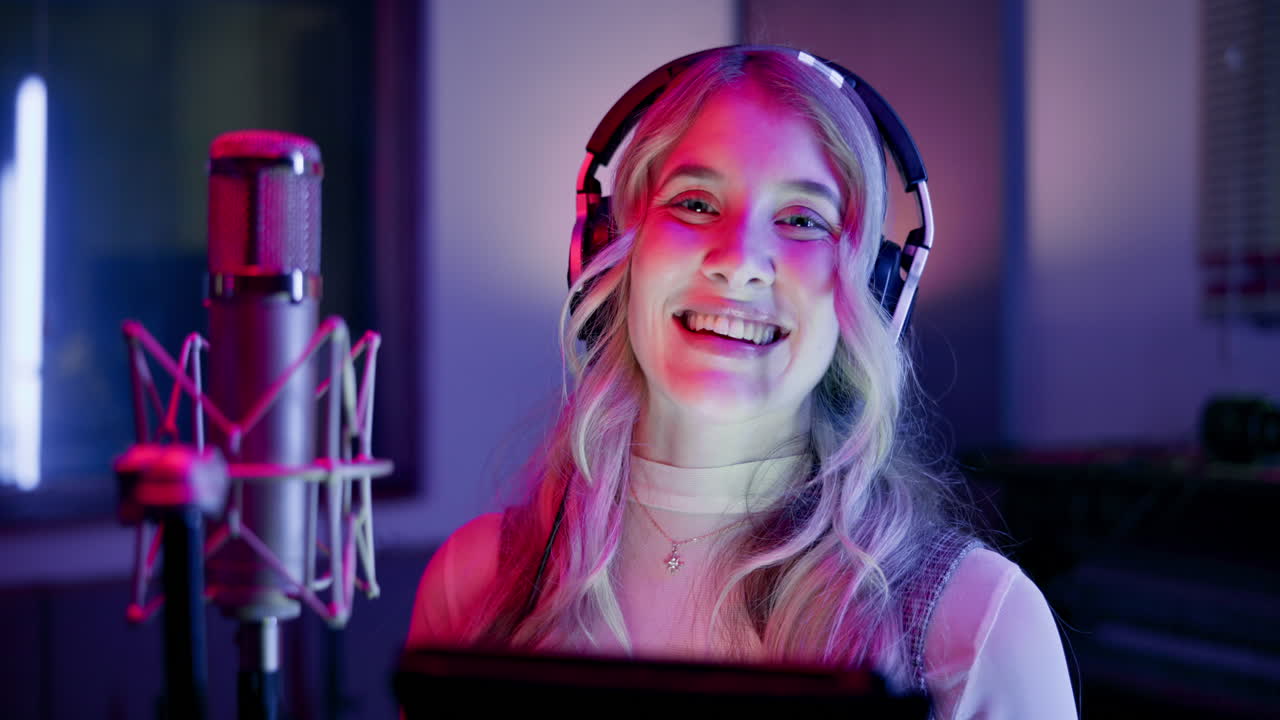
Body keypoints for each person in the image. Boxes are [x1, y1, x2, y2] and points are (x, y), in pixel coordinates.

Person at [407, 45, 1077, 719]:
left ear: (871, 291)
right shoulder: (471, 585)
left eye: (802, 220)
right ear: (613, 250)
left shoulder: (980, 624)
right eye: (696, 203)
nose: (739, 261)